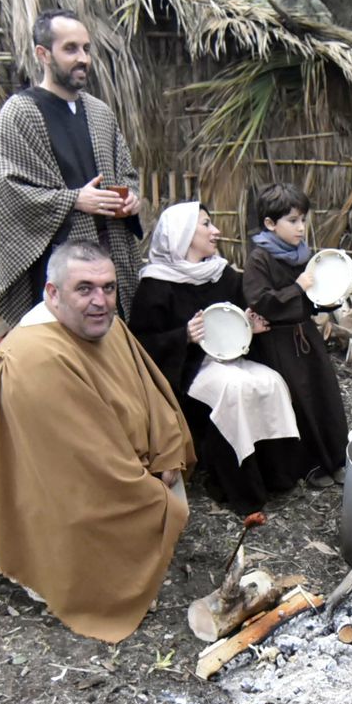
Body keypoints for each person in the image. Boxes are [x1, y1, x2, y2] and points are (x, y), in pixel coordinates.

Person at [0, 243, 194, 643]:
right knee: (144, 517)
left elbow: (151, 395)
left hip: (122, 457)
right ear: (52, 294)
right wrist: (145, 489)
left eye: (108, 288)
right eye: (85, 289)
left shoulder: (109, 326)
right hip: (66, 478)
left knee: (167, 500)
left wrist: (166, 448)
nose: (100, 301)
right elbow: (82, 467)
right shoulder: (35, 359)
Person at [129, 202, 301, 516]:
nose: (216, 231)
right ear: (181, 235)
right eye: (206, 225)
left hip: (228, 361)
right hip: (188, 369)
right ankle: (239, 488)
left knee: (271, 382)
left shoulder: (221, 274)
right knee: (232, 389)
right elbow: (140, 344)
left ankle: (278, 476)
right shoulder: (155, 285)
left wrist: (249, 327)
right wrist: (183, 336)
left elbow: (233, 322)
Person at [0, 9, 143, 324]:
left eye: (86, 49)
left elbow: (126, 172)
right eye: (70, 49)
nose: (83, 58)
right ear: (43, 54)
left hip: (104, 257)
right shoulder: (20, 113)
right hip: (52, 262)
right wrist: (74, 200)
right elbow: (9, 192)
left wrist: (131, 198)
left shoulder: (100, 112)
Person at [243, 182, 349, 488]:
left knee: (324, 394)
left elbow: (312, 298)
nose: (301, 227)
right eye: (293, 221)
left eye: (303, 219)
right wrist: (297, 288)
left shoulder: (303, 255)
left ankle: (335, 459)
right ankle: (311, 466)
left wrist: (330, 294)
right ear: (269, 223)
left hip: (306, 337)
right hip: (278, 344)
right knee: (298, 401)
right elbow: (260, 301)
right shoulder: (259, 259)